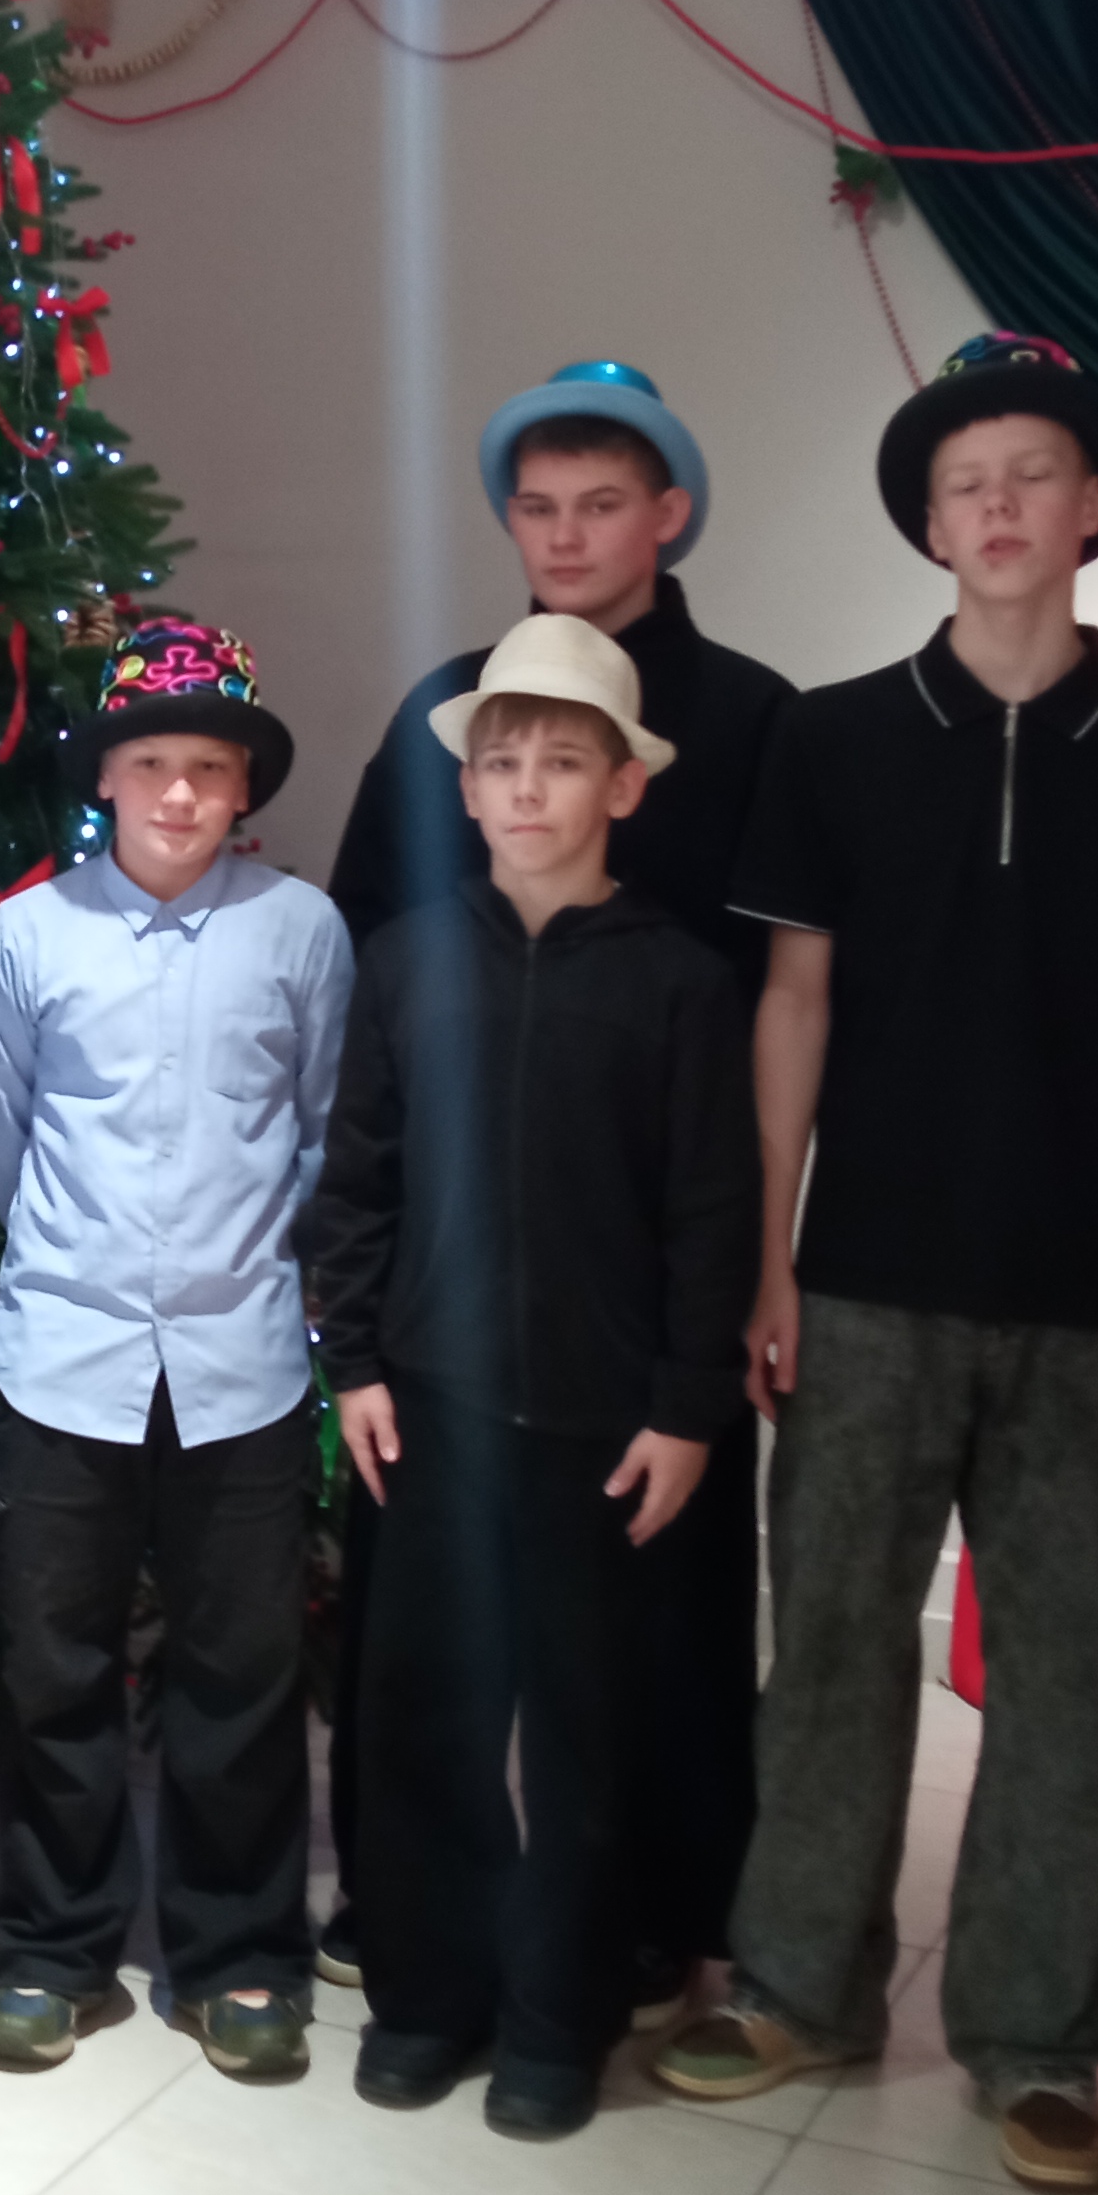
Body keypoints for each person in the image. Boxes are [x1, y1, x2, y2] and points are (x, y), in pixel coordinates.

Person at [653, 334, 1098, 2195]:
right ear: (928, 523)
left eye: (1031, 476)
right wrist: (768, 1258)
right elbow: (795, 1005)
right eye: (964, 484)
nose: (997, 509)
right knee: (834, 1650)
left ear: (1094, 507)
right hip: (862, 1283)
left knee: (1069, 1678)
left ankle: (1035, 2033)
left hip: (1090, 1298)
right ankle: (802, 1984)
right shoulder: (833, 739)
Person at [320, 361, 793, 2018]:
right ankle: (410, 1921)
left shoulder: (753, 718)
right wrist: (360, 1306)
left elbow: (786, 992)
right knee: (426, 1638)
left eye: (603, 505)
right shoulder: (447, 705)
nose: (569, 536)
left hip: (643, 1244)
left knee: (644, 1625)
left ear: (670, 514)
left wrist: (740, 1283)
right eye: (538, 508)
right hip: (450, 1276)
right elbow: (369, 945)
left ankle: (656, 1911)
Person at [0, 617, 350, 2082]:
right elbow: (5, 1135)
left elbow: (320, 1131)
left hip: (240, 1365)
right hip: (63, 1358)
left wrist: (245, 1268)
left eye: (209, 767)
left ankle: (238, 1956)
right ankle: (52, 1949)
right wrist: (88, 1263)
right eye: (151, 764)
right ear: (106, 778)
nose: (180, 793)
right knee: (51, 1665)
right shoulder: (30, 935)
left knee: (239, 1671)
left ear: (244, 786)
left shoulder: (301, 933)